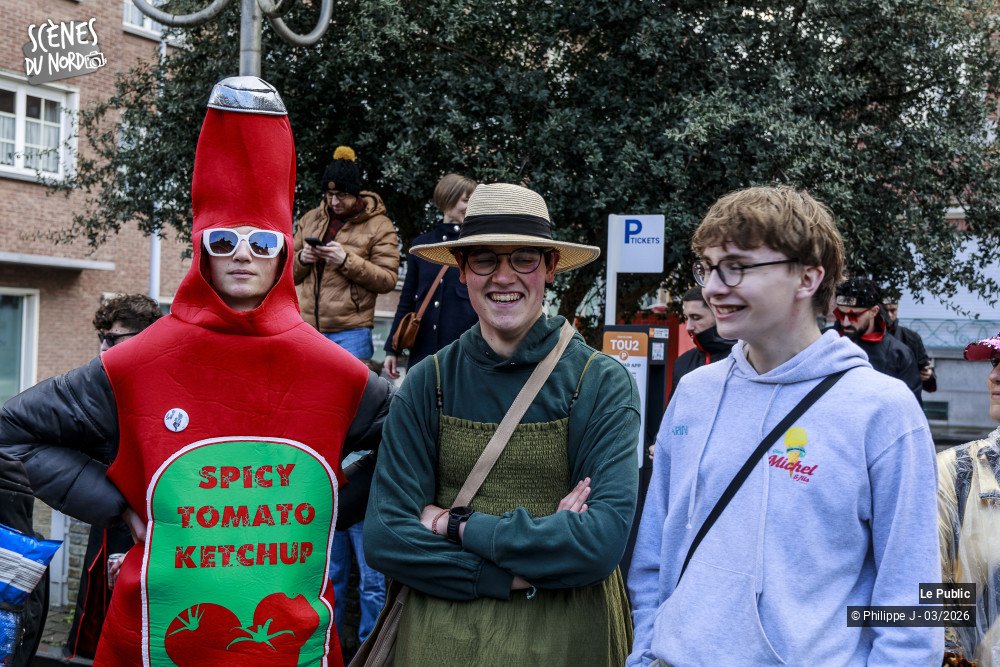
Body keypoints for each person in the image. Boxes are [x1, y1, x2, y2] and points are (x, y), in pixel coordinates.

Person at [0, 76, 392, 666]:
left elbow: (413, 439)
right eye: (225, 238)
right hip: (152, 640)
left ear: (285, 250)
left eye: (262, 241)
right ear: (202, 245)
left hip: (294, 647)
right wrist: (119, 506)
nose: (243, 253)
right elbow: (14, 432)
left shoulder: (335, 370)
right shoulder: (137, 360)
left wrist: (330, 504)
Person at [628, 186, 941, 665]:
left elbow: (912, 603)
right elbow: (653, 555)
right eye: (707, 268)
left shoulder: (882, 410)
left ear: (808, 277)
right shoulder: (694, 393)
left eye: (736, 266)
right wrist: (647, 652)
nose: (712, 288)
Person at [364, 183, 641, 665]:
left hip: (569, 643)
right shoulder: (426, 383)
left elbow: (599, 544)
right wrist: (511, 573)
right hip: (440, 645)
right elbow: (387, 537)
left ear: (551, 267)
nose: (503, 277)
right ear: (462, 271)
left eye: (524, 259)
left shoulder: (601, 383)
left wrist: (455, 525)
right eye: (485, 259)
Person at [64, 294, 163, 660]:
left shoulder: (165, 385)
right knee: (98, 609)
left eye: (115, 338)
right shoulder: (99, 383)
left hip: (156, 522)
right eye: (102, 338)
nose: (104, 348)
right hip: (110, 514)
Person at [293, 145, 400, 360]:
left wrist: (345, 261)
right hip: (306, 327)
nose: (334, 202)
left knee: (349, 393)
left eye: (341, 195)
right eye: (329, 194)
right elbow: (286, 273)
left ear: (355, 193)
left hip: (352, 332)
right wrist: (301, 259)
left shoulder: (380, 225)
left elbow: (388, 280)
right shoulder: (310, 219)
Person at [938, 330, 1000, 666]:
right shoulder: (955, 473)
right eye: (994, 361)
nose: (994, 374)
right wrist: (953, 648)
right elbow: (913, 589)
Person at [383, 173, 479, 379]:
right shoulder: (422, 245)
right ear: (448, 198)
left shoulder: (477, 246)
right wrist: (393, 348)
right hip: (422, 352)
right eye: (465, 199)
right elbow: (407, 299)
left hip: (464, 352)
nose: (469, 206)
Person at [833, 277, 923, 404]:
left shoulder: (899, 354)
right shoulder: (823, 340)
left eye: (854, 315)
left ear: (874, 311)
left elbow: (911, 409)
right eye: (840, 314)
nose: (846, 322)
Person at [669, 285, 736, 397]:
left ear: (718, 314)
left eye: (696, 317)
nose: (688, 327)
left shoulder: (745, 357)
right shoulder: (682, 363)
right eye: (686, 318)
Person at [884, 299, 938, 392]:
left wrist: (928, 375)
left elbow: (929, 384)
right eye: (885, 311)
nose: (889, 315)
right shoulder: (863, 337)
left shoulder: (911, 337)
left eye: (893, 310)